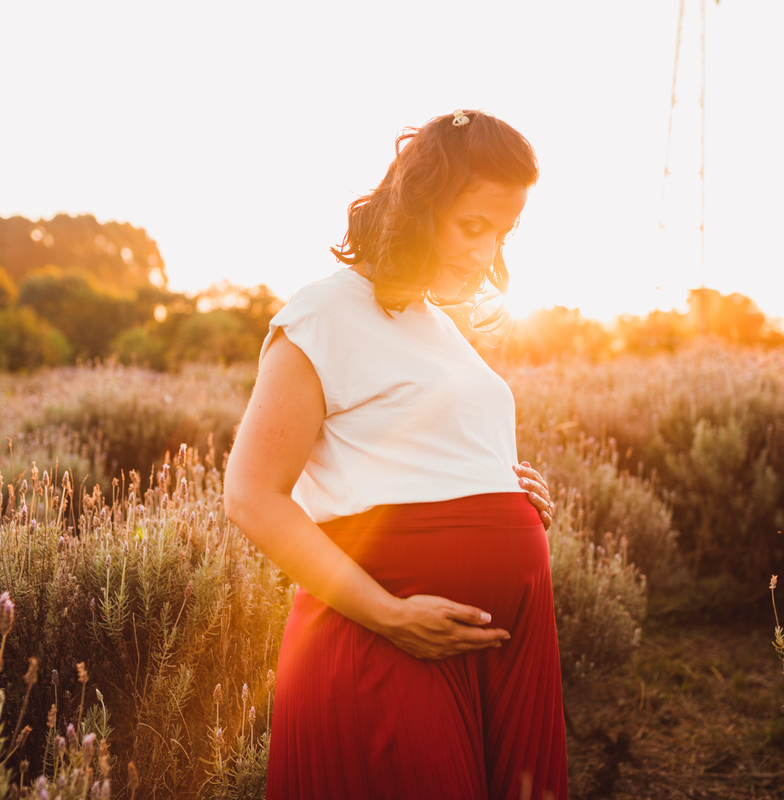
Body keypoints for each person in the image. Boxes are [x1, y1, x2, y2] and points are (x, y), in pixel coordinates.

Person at [223, 108, 567, 800]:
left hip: (507, 643)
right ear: (419, 207)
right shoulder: (321, 314)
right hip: (386, 634)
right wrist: (389, 615)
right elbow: (252, 496)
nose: (488, 250)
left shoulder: (438, 325)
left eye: (504, 231)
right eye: (474, 225)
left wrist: (507, 491)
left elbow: (428, 447)